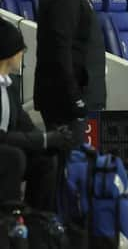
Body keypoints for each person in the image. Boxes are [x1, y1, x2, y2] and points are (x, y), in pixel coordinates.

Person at [35, 0, 105, 144]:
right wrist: (74, 97)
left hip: (74, 97)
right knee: (70, 165)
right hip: (67, 102)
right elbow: (60, 48)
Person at [0, 18, 74, 211]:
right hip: (5, 150)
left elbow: (24, 125)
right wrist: (43, 139)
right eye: (20, 49)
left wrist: (52, 139)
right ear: (8, 53)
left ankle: (38, 221)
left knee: (46, 158)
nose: (23, 53)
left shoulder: (9, 86)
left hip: (7, 147)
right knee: (13, 157)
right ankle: (10, 220)